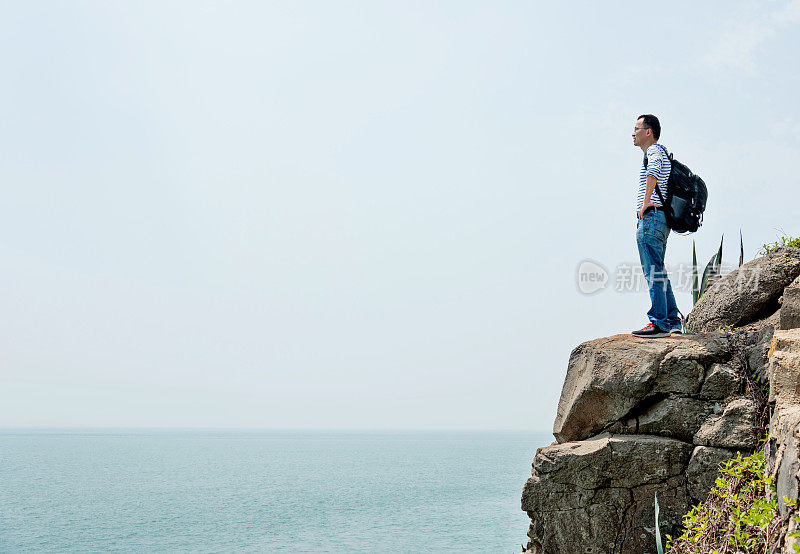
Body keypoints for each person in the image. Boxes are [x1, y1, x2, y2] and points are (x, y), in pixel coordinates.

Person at [630, 114, 682, 338]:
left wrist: (645, 203)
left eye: (637, 128)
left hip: (652, 217)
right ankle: (672, 321)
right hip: (660, 219)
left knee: (652, 270)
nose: (633, 133)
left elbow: (654, 170)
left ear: (648, 131)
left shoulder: (654, 151)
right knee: (658, 269)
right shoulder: (660, 151)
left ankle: (659, 322)